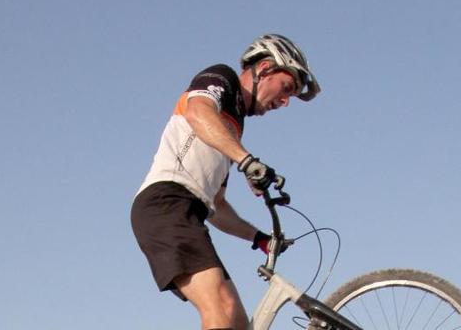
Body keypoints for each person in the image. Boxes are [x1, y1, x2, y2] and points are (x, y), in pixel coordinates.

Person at [130, 34, 320, 330]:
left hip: (188, 211)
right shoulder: (223, 78)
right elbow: (198, 111)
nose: (284, 102)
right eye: (286, 89)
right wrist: (246, 160)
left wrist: (259, 238)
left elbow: (216, 206)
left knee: (238, 322)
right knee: (220, 306)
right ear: (266, 68)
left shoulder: (232, 128)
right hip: (165, 203)